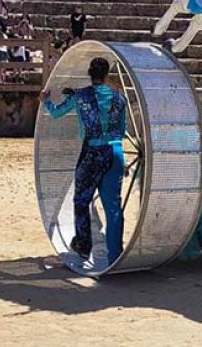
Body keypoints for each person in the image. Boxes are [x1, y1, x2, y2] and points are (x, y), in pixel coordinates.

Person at [41, 57, 127, 264]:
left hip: (92, 152)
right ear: (107, 75)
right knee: (113, 207)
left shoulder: (80, 96)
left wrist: (45, 100)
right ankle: (115, 255)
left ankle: (83, 245)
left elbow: (55, 112)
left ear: (90, 73)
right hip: (115, 152)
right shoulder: (119, 98)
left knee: (81, 201)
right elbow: (122, 130)